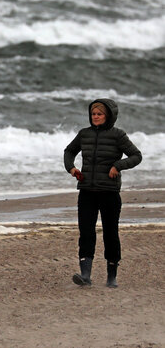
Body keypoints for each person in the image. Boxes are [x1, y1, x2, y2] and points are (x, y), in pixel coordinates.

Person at [64, 99, 142, 288]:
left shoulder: (118, 135)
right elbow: (69, 151)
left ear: (108, 116)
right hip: (87, 191)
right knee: (86, 232)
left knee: (110, 233)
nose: (96, 117)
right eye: (93, 114)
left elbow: (136, 156)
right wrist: (72, 169)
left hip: (109, 192)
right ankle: (85, 275)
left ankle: (112, 276)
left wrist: (117, 165)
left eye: (99, 114)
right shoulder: (84, 134)